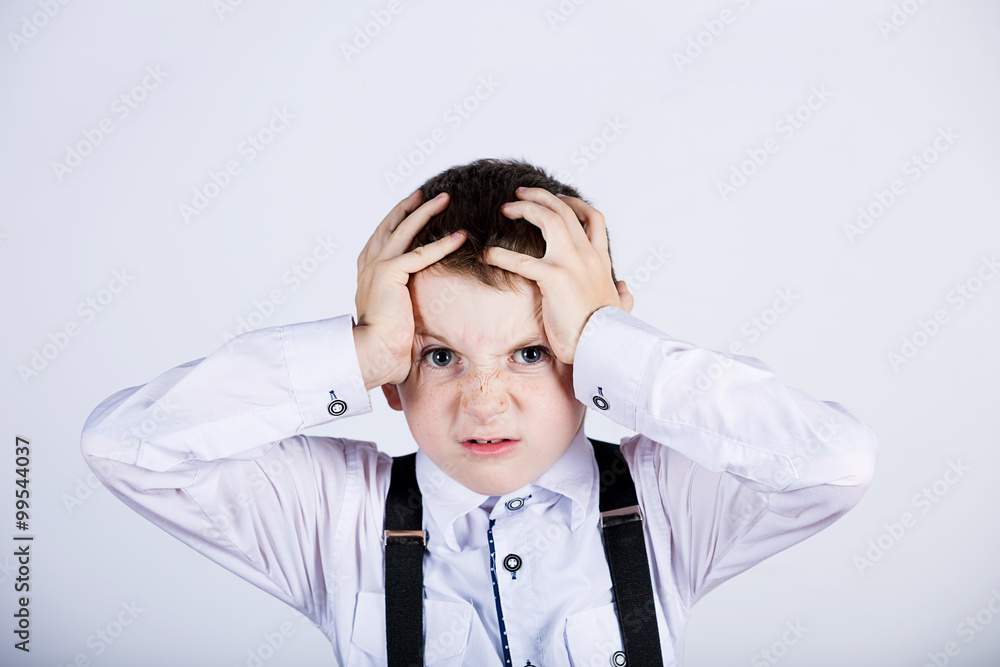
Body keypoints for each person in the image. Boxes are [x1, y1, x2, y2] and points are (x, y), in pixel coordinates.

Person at [81, 157, 879, 666]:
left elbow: (833, 462)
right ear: (395, 373)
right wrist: (352, 353)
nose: (483, 398)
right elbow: (125, 446)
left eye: (531, 352)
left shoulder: (664, 496)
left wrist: (611, 343)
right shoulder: (336, 515)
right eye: (438, 355)